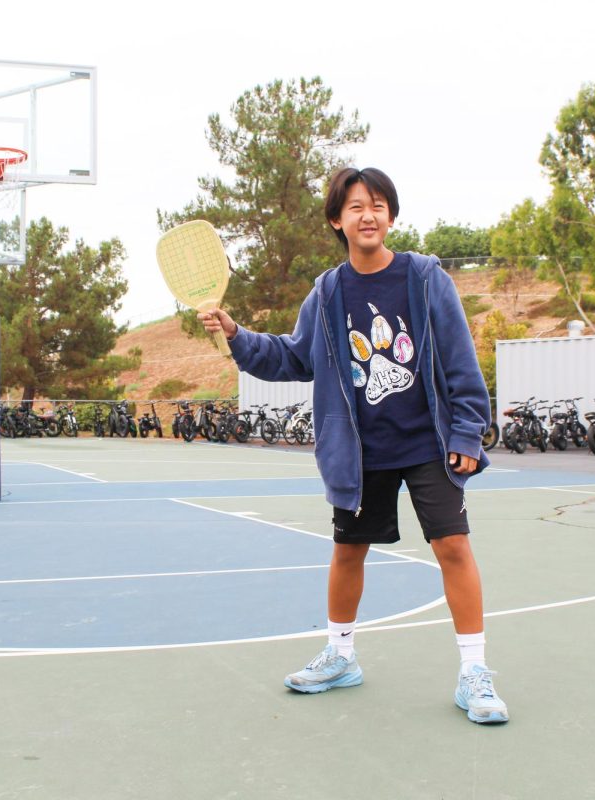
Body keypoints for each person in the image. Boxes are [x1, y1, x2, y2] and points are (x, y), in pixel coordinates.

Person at [198, 167, 508, 724]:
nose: (369, 215)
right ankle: (341, 657)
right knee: (348, 553)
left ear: (391, 215)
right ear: (337, 220)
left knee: (454, 548)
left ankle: (474, 674)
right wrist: (236, 335)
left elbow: (460, 359)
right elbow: (294, 357)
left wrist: (467, 430)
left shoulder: (425, 278)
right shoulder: (329, 292)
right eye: (357, 206)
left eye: (379, 204)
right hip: (361, 453)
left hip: (428, 444)